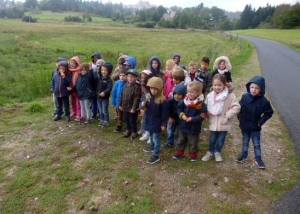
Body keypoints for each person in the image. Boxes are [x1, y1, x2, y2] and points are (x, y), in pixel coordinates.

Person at [236, 76, 273, 169]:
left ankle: (258, 158)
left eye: (257, 88)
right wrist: (240, 117)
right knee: (245, 141)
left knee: (256, 143)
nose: (254, 90)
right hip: (244, 125)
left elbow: (269, 112)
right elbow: (239, 108)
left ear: (261, 89)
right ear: (249, 87)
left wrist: (260, 121)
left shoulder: (264, 101)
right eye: (252, 87)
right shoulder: (245, 97)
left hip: (255, 126)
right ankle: (244, 155)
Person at [201, 74, 241, 162]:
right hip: (214, 121)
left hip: (224, 121)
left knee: (221, 139)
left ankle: (217, 152)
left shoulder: (230, 95)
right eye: (215, 85)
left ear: (224, 85)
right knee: (212, 138)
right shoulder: (210, 96)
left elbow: (236, 107)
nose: (217, 87)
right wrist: (207, 115)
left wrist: (228, 115)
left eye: (219, 85)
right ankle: (210, 151)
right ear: (212, 85)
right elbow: (206, 106)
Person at [173, 81, 207, 161]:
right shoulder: (184, 101)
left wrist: (193, 119)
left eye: (192, 92)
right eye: (188, 91)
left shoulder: (201, 104)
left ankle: (193, 155)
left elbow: (203, 115)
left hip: (194, 128)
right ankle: (179, 152)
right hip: (183, 126)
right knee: (180, 140)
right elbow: (179, 109)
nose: (189, 93)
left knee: (193, 142)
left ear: (199, 92)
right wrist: (182, 115)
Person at [142, 77, 168, 164]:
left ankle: (155, 155)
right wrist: (143, 105)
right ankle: (152, 146)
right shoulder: (149, 97)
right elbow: (145, 108)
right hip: (149, 120)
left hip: (157, 122)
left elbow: (165, 114)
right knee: (151, 136)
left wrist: (164, 124)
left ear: (160, 89)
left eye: (156, 89)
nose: (153, 91)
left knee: (156, 139)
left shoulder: (162, 100)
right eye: (152, 88)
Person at [119, 69, 142, 140]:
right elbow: (122, 95)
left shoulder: (137, 87)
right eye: (128, 76)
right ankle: (128, 130)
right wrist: (120, 104)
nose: (130, 78)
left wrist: (134, 108)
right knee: (126, 119)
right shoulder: (126, 85)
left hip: (132, 108)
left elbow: (136, 98)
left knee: (132, 120)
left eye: (132, 77)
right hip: (125, 107)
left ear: (136, 78)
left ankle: (133, 132)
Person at [163, 84, 187, 148]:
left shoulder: (185, 102)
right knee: (170, 129)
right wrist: (170, 117)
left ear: (183, 95)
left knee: (180, 130)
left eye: (179, 94)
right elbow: (168, 110)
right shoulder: (171, 101)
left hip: (181, 119)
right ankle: (170, 142)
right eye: (175, 94)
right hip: (172, 117)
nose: (177, 96)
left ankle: (180, 142)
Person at [96, 63, 113, 127]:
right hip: (98, 97)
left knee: (104, 110)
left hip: (105, 98)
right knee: (100, 110)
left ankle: (106, 121)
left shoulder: (109, 80)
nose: (103, 72)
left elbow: (109, 88)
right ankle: (101, 120)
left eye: (105, 70)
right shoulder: (99, 77)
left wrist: (104, 92)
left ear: (109, 71)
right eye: (102, 70)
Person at [138, 70, 153, 141]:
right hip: (145, 108)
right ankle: (146, 133)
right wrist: (141, 107)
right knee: (145, 120)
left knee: (150, 121)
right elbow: (143, 98)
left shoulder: (151, 89)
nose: (143, 79)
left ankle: (151, 136)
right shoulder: (145, 89)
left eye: (145, 78)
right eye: (141, 78)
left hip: (151, 109)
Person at [111, 68, 127, 132]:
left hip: (125, 103)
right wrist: (113, 102)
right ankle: (119, 126)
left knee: (126, 115)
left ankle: (127, 126)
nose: (122, 77)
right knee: (119, 115)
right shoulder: (117, 83)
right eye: (120, 75)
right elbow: (114, 92)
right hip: (118, 101)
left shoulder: (127, 83)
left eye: (124, 75)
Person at [68, 56, 81, 121]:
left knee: (78, 102)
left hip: (77, 89)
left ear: (77, 64)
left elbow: (79, 81)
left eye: (74, 63)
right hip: (70, 89)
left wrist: (75, 87)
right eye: (71, 62)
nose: (72, 64)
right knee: (72, 101)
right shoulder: (68, 71)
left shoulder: (79, 71)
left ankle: (79, 114)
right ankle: (74, 112)